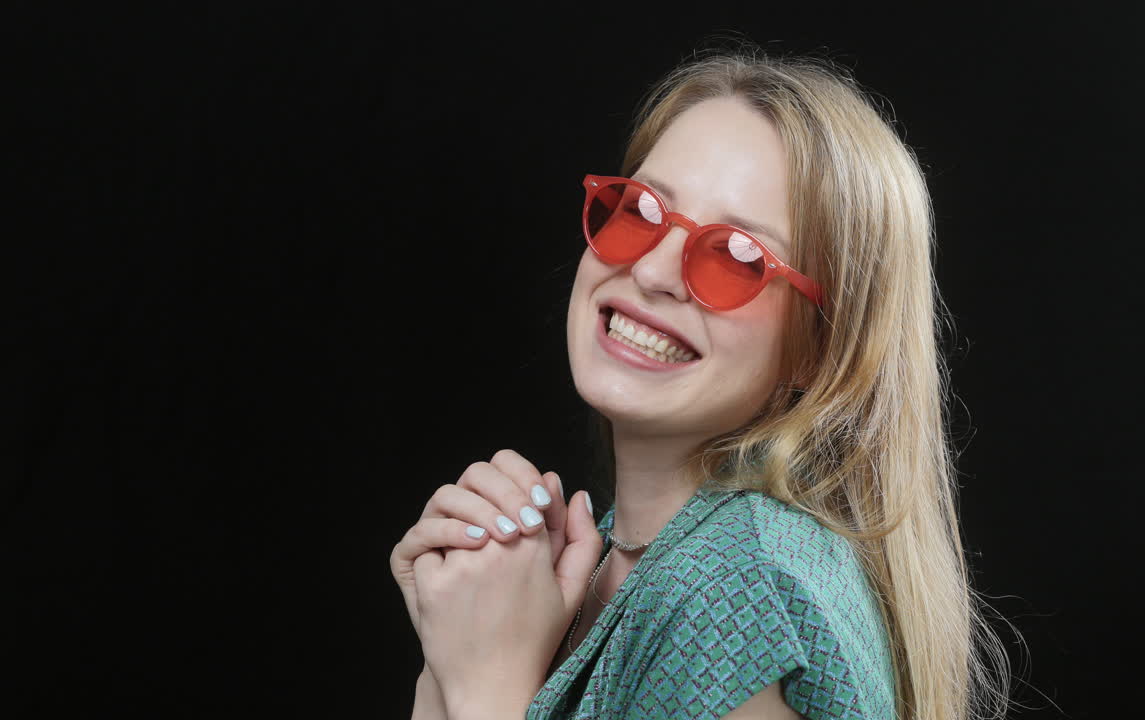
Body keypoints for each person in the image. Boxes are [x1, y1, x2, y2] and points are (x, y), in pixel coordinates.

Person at [390, 42, 1011, 720]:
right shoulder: (627, 557)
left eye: (738, 257)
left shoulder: (737, 589)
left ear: (821, 350)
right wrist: (449, 645)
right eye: (644, 210)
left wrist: (487, 679)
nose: (652, 272)